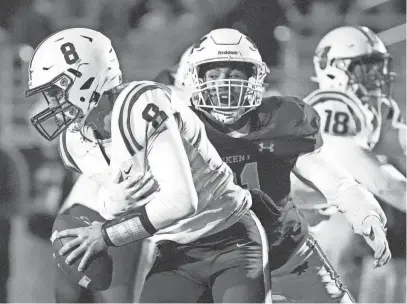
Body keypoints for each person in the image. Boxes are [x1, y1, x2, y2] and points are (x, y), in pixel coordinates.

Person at [26, 28, 271, 303]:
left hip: (230, 237)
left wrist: (106, 235)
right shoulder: (75, 143)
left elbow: (181, 202)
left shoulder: (143, 103)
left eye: (57, 90)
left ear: (84, 80)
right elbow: (112, 202)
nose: (54, 102)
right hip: (175, 249)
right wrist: (112, 203)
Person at [158, 28, 392, 303]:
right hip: (212, 266)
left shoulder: (283, 120)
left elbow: (333, 179)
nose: (225, 86)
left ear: (254, 77)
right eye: (213, 75)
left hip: (289, 258)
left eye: (234, 75)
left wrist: (363, 212)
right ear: (194, 79)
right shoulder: (178, 129)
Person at [301, 25, 406, 302]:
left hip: (325, 217)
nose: (376, 76)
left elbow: (401, 143)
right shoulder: (331, 108)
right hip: (296, 220)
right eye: (364, 68)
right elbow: (381, 183)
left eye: (377, 66)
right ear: (334, 69)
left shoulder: (369, 107)